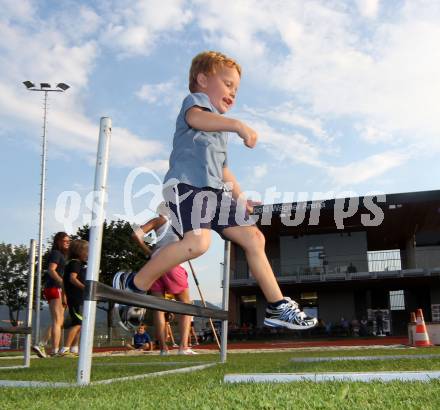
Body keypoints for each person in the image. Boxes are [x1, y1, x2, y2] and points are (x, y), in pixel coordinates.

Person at [117, 50, 317, 331]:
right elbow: (198, 119)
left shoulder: (220, 132)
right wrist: (238, 125)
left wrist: (241, 198)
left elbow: (224, 172)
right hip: (187, 186)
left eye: (236, 88)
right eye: (227, 84)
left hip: (214, 193)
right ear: (202, 80)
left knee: (253, 238)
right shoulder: (196, 104)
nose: (233, 92)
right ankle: (134, 283)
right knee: (198, 244)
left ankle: (277, 306)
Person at [117, 202, 194, 355]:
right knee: (185, 305)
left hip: (155, 264)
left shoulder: (157, 221)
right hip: (173, 263)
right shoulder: (180, 223)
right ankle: (183, 347)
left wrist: (150, 253)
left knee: (159, 308)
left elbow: (135, 234)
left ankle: (164, 348)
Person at [33, 232, 70, 358]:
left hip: (56, 288)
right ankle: (54, 350)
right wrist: (61, 282)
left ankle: (41, 343)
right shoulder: (56, 253)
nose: (67, 243)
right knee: (57, 320)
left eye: (68, 241)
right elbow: (51, 270)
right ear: (58, 242)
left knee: (57, 321)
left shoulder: (62, 255)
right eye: (65, 241)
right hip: (54, 287)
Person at [59, 239, 88, 356]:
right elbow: (72, 278)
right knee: (78, 323)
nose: (88, 254)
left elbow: (64, 282)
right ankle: (65, 348)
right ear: (79, 251)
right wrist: (85, 288)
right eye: (87, 251)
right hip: (76, 298)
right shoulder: (75, 263)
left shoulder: (75, 264)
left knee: (80, 323)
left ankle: (74, 348)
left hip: (77, 298)